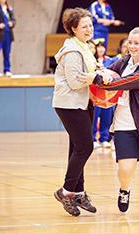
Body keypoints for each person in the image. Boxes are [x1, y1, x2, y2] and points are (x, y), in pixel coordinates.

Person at [80, 27, 139, 219]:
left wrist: (98, 79)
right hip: (124, 123)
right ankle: (124, 190)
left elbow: (127, 82)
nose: (131, 46)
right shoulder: (123, 61)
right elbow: (109, 70)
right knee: (125, 169)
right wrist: (100, 71)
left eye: (136, 43)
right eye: (130, 42)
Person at [52, 7, 104, 217]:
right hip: (69, 103)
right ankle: (65, 191)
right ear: (73, 28)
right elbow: (75, 82)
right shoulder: (72, 50)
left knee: (77, 148)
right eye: (84, 26)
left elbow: (92, 70)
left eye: (90, 25)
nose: (89, 29)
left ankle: (79, 193)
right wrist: (97, 76)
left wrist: (99, 71)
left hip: (82, 102)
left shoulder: (83, 46)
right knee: (85, 147)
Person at [92, 39, 115, 148]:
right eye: (98, 47)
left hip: (107, 94)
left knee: (107, 116)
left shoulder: (110, 60)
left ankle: (104, 138)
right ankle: (92, 139)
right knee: (94, 117)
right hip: (95, 94)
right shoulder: (91, 60)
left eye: (102, 46)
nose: (101, 49)